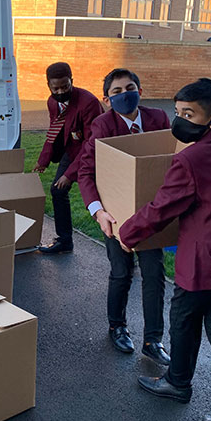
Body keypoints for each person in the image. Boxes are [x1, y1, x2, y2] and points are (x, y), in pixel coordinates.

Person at [119, 78, 211, 421]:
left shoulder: (190, 159)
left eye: (189, 114)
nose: (179, 120)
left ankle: (177, 383)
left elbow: (160, 209)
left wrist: (126, 233)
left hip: (203, 264)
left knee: (183, 322)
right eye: (177, 111)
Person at [78, 68, 170, 365]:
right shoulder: (102, 126)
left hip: (151, 215)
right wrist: (98, 211)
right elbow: (85, 172)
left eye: (129, 88)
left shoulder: (158, 119)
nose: (124, 95)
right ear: (107, 99)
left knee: (155, 275)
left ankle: (153, 339)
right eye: (116, 92)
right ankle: (117, 326)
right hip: (115, 217)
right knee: (121, 272)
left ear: (139, 90)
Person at [33, 62, 103, 254]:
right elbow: (54, 130)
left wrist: (70, 174)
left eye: (65, 86)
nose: (61, 91)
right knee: (57, 191)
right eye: (56, 88)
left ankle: (124, 246)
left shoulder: (88, 103)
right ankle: (65, 241)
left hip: (96, 152)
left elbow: (92, 143)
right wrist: (43, 160)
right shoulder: (52, 101)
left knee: (103, 197)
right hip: (72, 150)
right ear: (49, 85)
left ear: (72, 80)